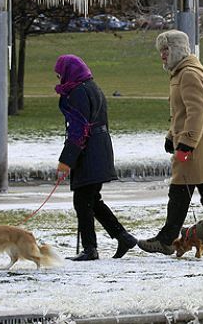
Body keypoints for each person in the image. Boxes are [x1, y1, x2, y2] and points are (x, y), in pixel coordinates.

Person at [137, 30, 203, 256]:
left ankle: (167, 240)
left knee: (180, 193)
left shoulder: (189, 74)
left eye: (166, 50)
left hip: (195, 149)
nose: (162, 55)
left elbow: (196, 112)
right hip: (195, 146)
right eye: (161, 51)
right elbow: (180, 113)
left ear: (178, 50)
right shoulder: (180, 74)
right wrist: (171, 137)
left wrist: (186, 144)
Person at [54, 54, 137, 261]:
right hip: (99, 149)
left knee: (83, 201)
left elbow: (78, 128)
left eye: (60, 75)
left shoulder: (78, 92)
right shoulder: (91, 87)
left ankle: (91, 248)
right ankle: (122, 236)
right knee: (91, 200)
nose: (59, 79)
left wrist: (66, 161)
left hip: (89, 152)